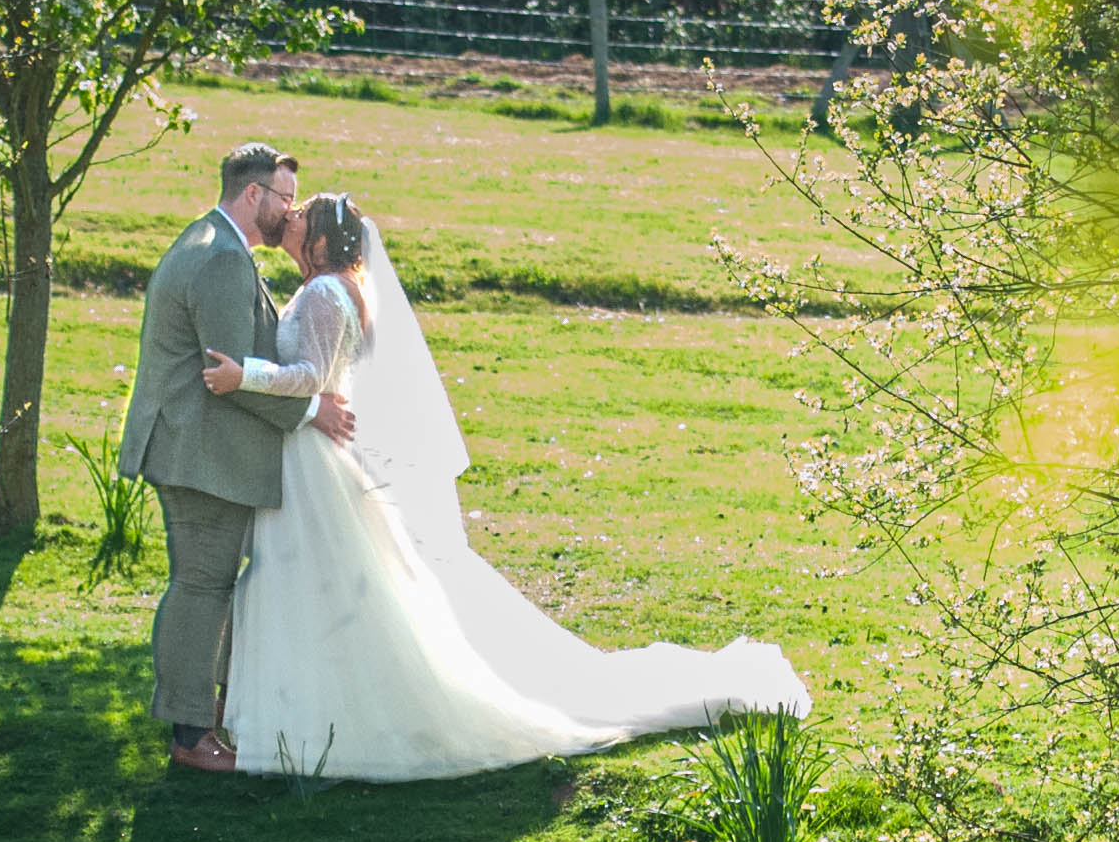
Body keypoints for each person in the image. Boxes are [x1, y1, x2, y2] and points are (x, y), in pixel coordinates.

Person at [216, 192, 809, 782]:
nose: (289, 220)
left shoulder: (323, 292)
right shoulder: (337, 287)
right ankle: (313, 711)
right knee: (333, 586)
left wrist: (246, 375)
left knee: (321, 583)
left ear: (320, 239)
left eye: (300, 217)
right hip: (314, 455)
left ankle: (320, 717)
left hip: (314, 457)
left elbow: (314, 382)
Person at [118, 144, 356, 775]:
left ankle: (203, 716)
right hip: (197, 451)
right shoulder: (223, 259)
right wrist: (313, 413)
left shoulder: (213, 242)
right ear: (254, 195)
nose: (291, 211)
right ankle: (191, 735)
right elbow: (229, 372)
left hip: (194, 446)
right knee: (201, 585)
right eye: (284, 198)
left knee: (208, 582)